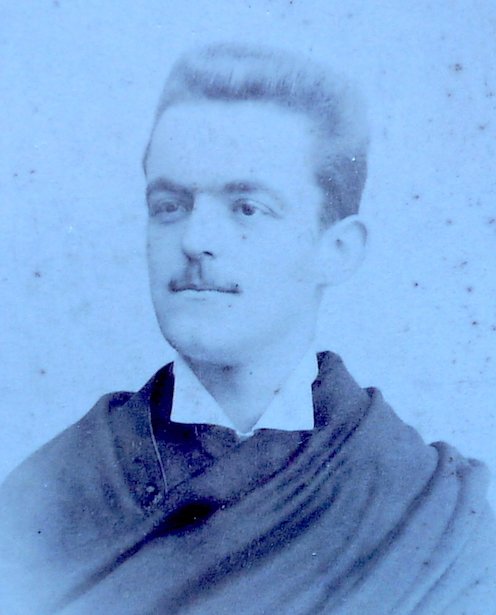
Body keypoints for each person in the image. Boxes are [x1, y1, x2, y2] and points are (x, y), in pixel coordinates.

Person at [1, 43, 495, 615]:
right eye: (170, 205)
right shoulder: (48, 495)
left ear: (338, 249)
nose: (194, 240)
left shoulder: (430, 512)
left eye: (246, 208)